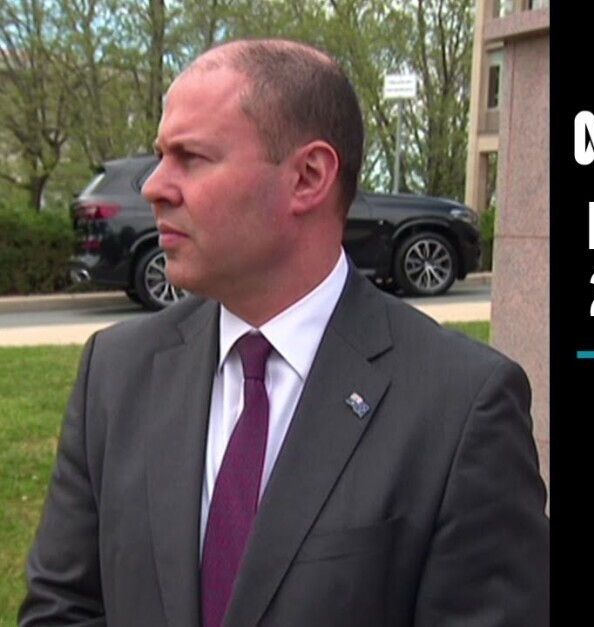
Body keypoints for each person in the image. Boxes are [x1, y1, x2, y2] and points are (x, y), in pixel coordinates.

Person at [20, 39, 549, 627]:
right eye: (161, 155)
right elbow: (63, 608)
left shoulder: (461, 404)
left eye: (191, 158)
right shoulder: (116, 372)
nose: (155, 187)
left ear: (308, 177)